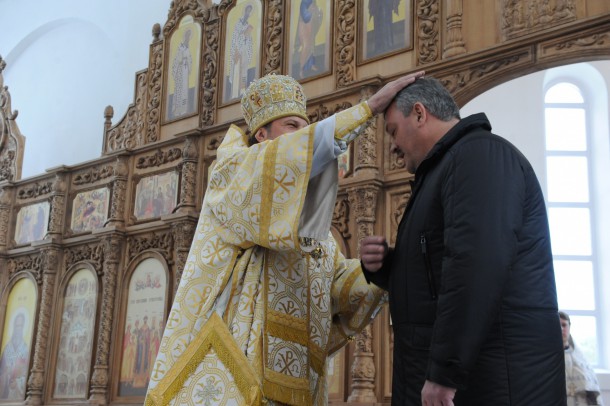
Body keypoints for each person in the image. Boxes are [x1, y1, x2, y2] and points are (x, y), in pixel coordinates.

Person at [145, 71, 424, 405]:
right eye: (292, 126)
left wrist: (375, 271)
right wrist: (366, 110)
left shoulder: (314, 234)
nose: (303, 134)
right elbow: (287, 159)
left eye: (304, 127)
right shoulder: (233, 174)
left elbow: (333, 292)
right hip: (243, 372)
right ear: (262, 135)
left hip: (301, 381)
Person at [360, 76, 566, 405]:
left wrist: (444, 373)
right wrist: (386, 266)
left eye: (392, 131)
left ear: (419, 113)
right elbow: (437, 273)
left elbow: (475, 266)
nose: (393, 147)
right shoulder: (444, 169)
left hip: (491, 381)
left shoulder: (479, 157)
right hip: (465, 379)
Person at [560, 311, 604, 405]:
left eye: (564, 325)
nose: (561, 329)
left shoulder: (581, 358)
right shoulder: (547, 358)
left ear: (569, 326)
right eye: (558, 325)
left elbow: (593, 388)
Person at [0, 312, 30, 400]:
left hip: (17, 393)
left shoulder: (26, 349)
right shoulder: (6, 349)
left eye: (20, 326)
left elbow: (27, 374)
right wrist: (6, 373)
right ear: (13, 327)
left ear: (23, 327)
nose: (18, 329)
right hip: (4, 391)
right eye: (16, 326)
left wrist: (17, 383)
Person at [229, 4, 254, 99]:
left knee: (244, 72)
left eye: (250, 11)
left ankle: (242, 91)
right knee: (237, 71)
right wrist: (244, 32)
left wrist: (247, 35)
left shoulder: (248, 25)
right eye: (247, 11)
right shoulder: (238, 23)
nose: (248, 13)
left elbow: (249, 39)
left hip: (244, 51)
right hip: (237, 51)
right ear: (244, 11)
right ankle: (235, 93)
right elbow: (236, 36)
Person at [294, 0, 322, 79]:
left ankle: (311, 64)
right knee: (306, 46)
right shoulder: (304, 2)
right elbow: (305, 16)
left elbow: (316, 11)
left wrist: (317, 13)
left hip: (311, 24)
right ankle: (301, 70)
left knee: (312, 44)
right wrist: (312, 13)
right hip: (305, 26)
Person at [171, 28, 193, 118]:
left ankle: (184, 109)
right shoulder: (180, 47)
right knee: (179, 90)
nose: (188, 38)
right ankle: (177, 110)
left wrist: (188, 60)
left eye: (189, 36)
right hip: (180, 71)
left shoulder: (188, 48)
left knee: (184, 90)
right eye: (187, 36)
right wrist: (182, 57)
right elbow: (177, 59)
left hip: (185, 70)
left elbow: (190, 59)